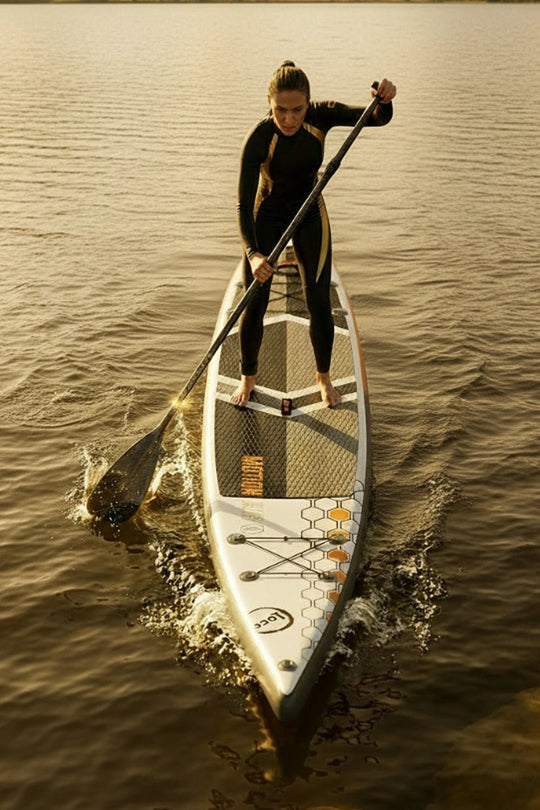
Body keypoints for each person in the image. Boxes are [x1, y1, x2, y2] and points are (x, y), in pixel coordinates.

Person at [233, 61, 396, 408]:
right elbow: (243, 207)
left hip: (310, 212)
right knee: (255, 300)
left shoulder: (322, 116)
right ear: (269, 104)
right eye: (280, 110)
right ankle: (248, 377)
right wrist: (254, 254)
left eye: (297, 110)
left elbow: (378, 118)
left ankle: (323, 376)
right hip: (268, 216)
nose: (289, 119)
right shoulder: (259, 138)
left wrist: (382, 99)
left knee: (318, 301)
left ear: (309, 103)